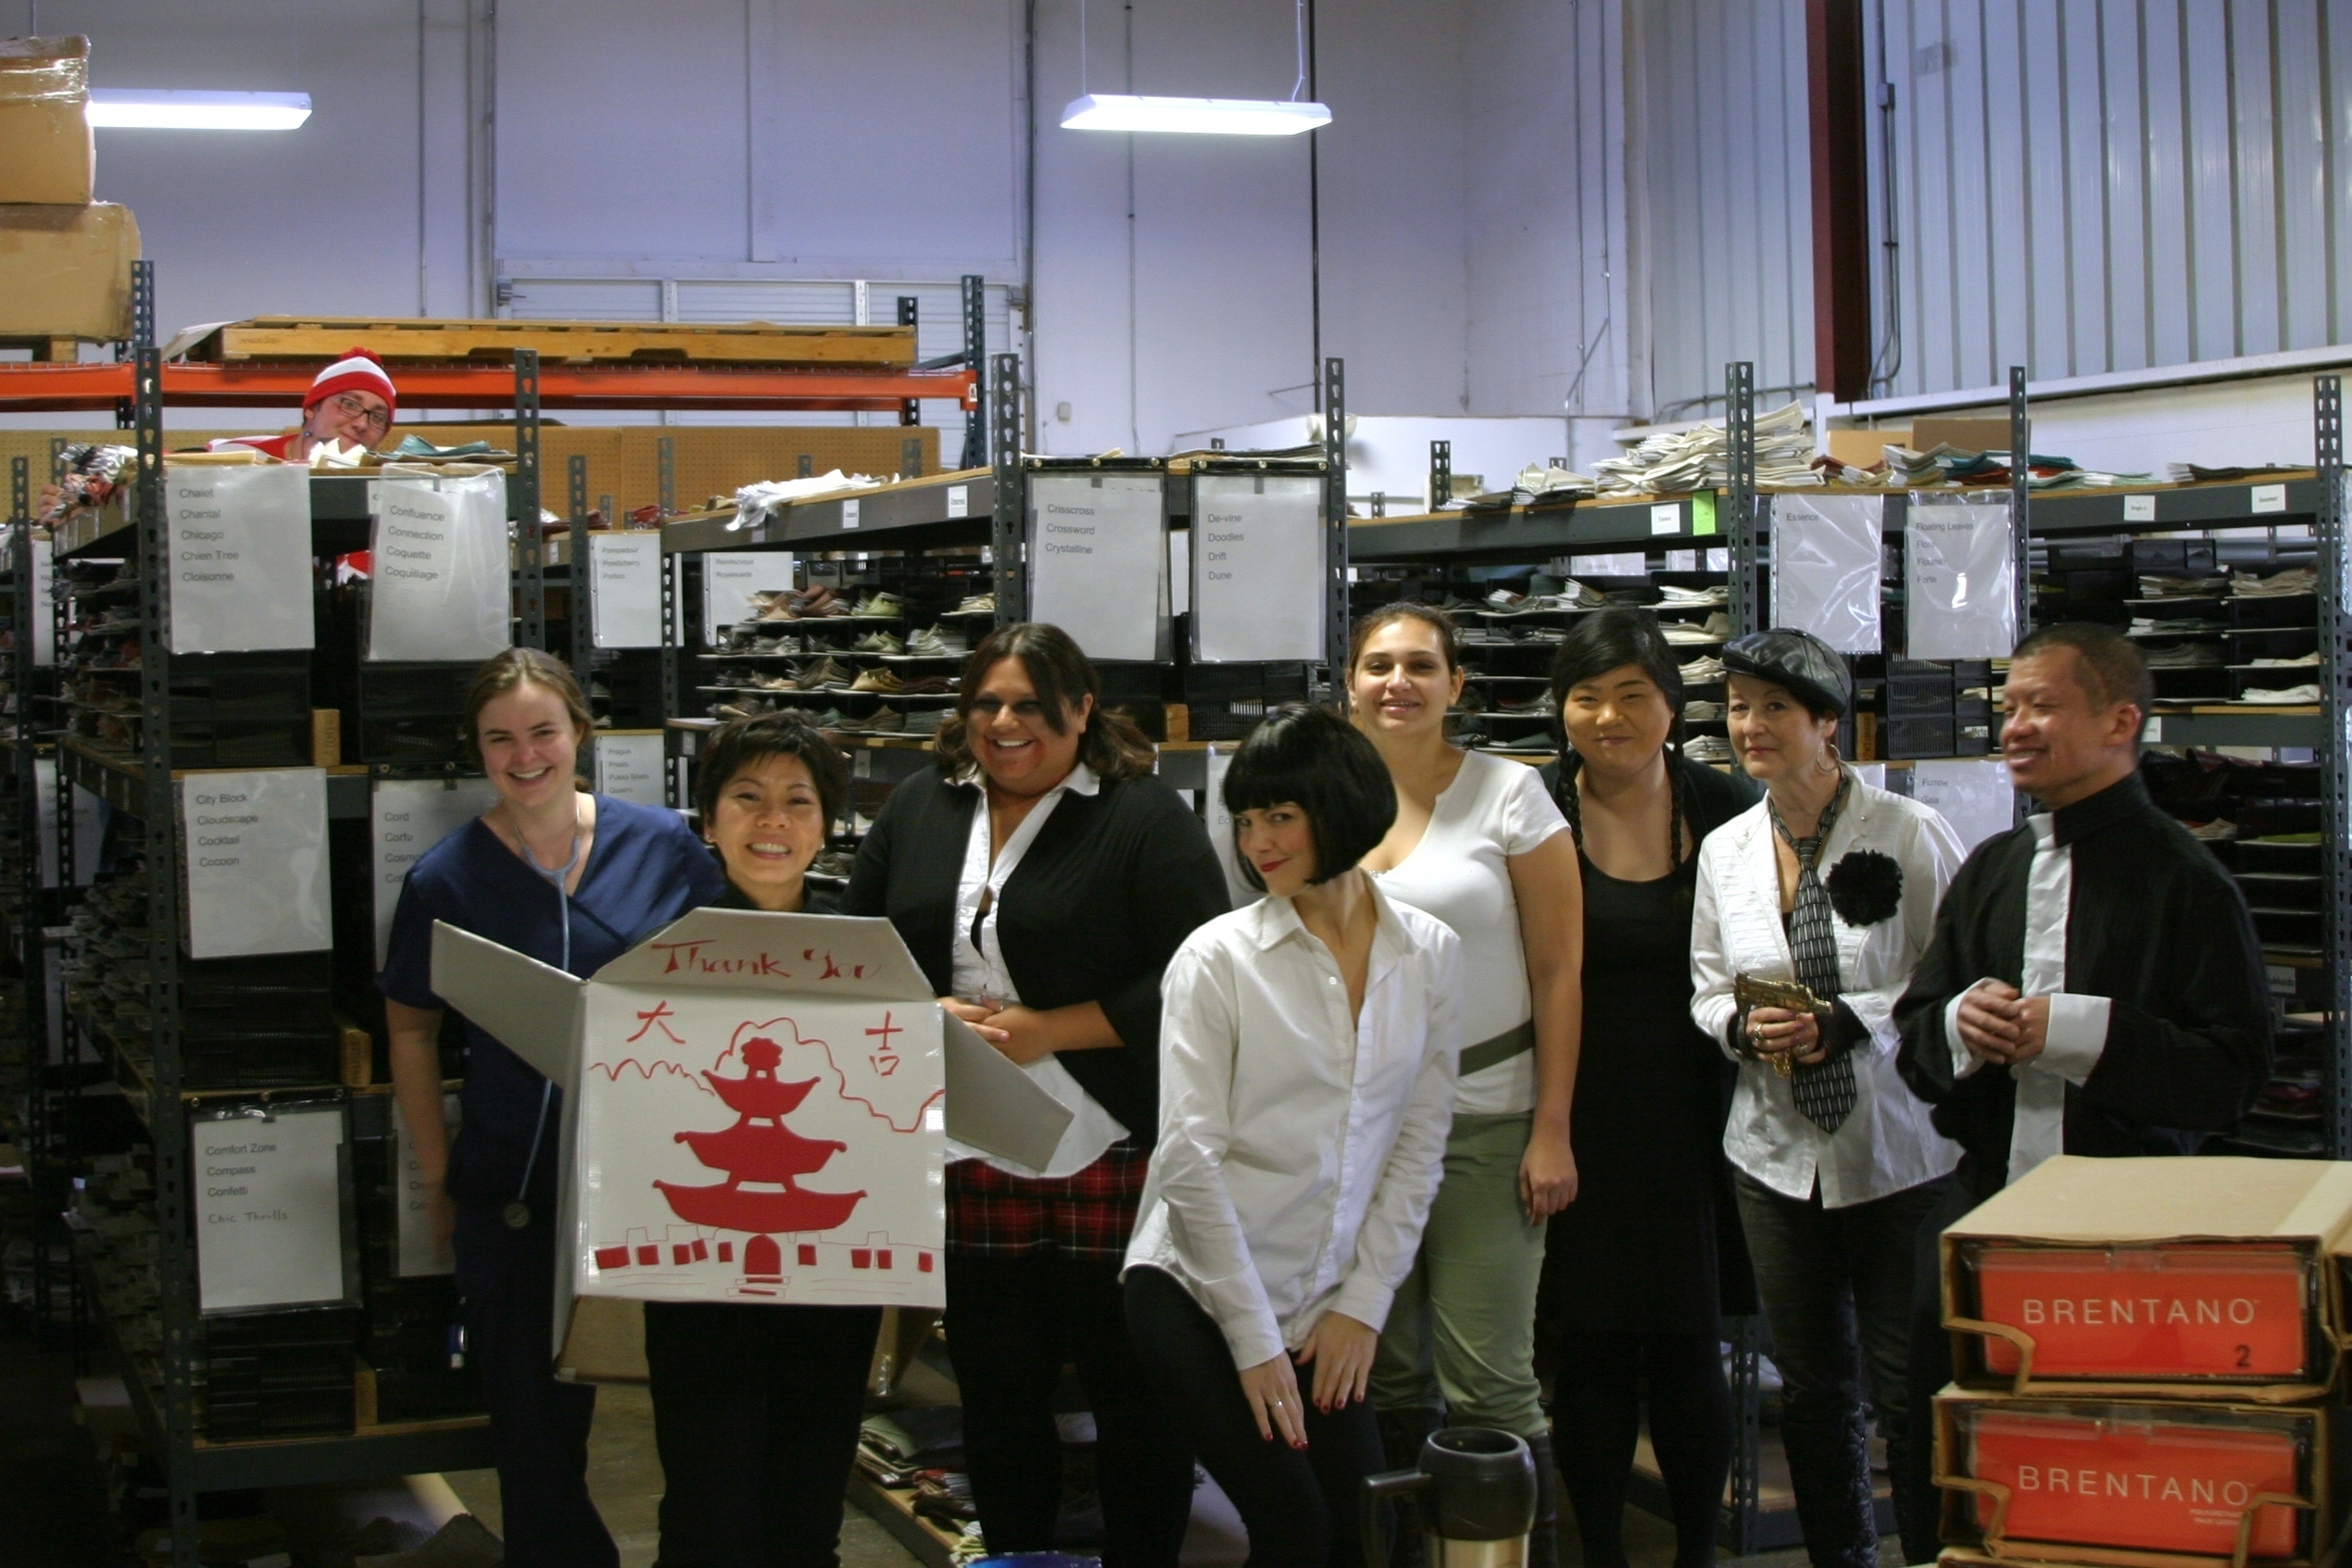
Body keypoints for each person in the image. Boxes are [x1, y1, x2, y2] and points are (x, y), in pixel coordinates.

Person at [846, 622, 1230, 1567]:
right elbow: (859, 940)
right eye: (986, 703)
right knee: (997, 1387)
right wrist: (923, 1009)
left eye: (1028, 704)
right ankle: (1015, 1557)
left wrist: (1052, 1027)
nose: (1004, 722)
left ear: (1081, 708)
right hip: (972, 1141)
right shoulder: (922, 805)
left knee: (1132, 1386)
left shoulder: (1142, 817)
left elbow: (1199, 971)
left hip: (1109, 1139)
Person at [1888, 623, 2272, 1562]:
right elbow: (1916, 1035)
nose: (2013, 726)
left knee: (2102, 1475)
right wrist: (1959, 1024)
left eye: (2042, 706)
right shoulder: (1993, 867)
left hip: (2131, 1241)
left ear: (2118, 721)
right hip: (1981, 1211)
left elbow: (2232, 1075)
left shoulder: (2185, 879)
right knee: (1938, 1448)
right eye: (2008, 706)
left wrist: (2081, 1033)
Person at [381, 647, 725, 1568]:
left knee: (701, 1421)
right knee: (534, 1440)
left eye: (542, 731)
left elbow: (727, 985)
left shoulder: (662, 848)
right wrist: (439, 1179)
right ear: (477, 750)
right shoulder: (446, 879)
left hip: (666, 1188)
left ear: (579, 730)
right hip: (517, 1191)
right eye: (499, 739)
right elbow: (410, 1030)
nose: (524, 755)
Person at [1125, 705, 1461, 1568]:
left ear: (1341, 806)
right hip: (1197, 1290)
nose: (1257, 843)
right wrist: (1253, 1343)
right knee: (1294, 1528)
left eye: (1280, 815)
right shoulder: (1216, 959)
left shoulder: (1429, 953)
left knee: (1360, 1534)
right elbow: (1187, 1159)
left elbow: (1418, 1145)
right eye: (1245, 820)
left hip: (1323, 1301)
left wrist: (1362, 1305)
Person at [1688, 628, 1963, 1568]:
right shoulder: (1726, 849)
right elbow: (1706, 983)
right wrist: (1739, 1027)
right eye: (1738, 708)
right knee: (1812, 1391)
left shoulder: (1909, 832)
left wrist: (1852, 1018)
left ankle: (1928, 1555)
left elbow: (1954, 976)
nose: (1750, 726)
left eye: (1774, 708)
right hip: (1774, 1158)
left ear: (1827, 724)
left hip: (1895, 1154)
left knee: (1909, 1389)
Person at [1347, 602, 1582, 1568]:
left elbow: (1558, 970)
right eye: (1377, 665)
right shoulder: (1327, 798)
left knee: (1489, 1378)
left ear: (1456, 684)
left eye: (1419, 665)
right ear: (1349, 684)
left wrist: (1551, 1126)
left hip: (1490, 1117)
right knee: (1383, 1366)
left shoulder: (1509, 794)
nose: (1397, 682)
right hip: (1364, 1126)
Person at [1533, 608, 1758, 1568]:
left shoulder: (1729, 808)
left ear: (1672, 704)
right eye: (1585, 697)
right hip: (1568, 1111)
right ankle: (1603, 1555)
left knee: (1686, 1342)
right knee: (1584, 1347)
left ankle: (1696, 1552)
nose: (1607, 717)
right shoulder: (1532, 809)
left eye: (1632, 695)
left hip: (1696, 1113)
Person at [645, 709, 885, 1568]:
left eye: (798, 800)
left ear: (827, 823)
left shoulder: (872, 952)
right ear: (709, 821)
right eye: (747, 797)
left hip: (832, 1277)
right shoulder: (659, 956)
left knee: (809, 1502)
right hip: (696, 1273)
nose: (773, 820)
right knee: (705, 1505)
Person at [210, 347, 398, 459]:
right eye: (349, 405)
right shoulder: (241, 459)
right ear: (312, 408)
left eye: (378, 417)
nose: (362, 424)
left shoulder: (384, 485)